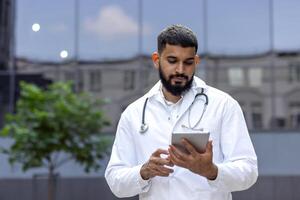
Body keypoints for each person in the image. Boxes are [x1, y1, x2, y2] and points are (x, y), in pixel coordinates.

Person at [105, 24, 258, 200]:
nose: (180, 70)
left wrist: (212, 171)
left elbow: (249, 171)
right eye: (172, 61)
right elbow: (115, 181)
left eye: (188, 62)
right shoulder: (134, 114)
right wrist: (143, 172)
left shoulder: (224, 105)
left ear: (196, 62)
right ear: (156, 60)